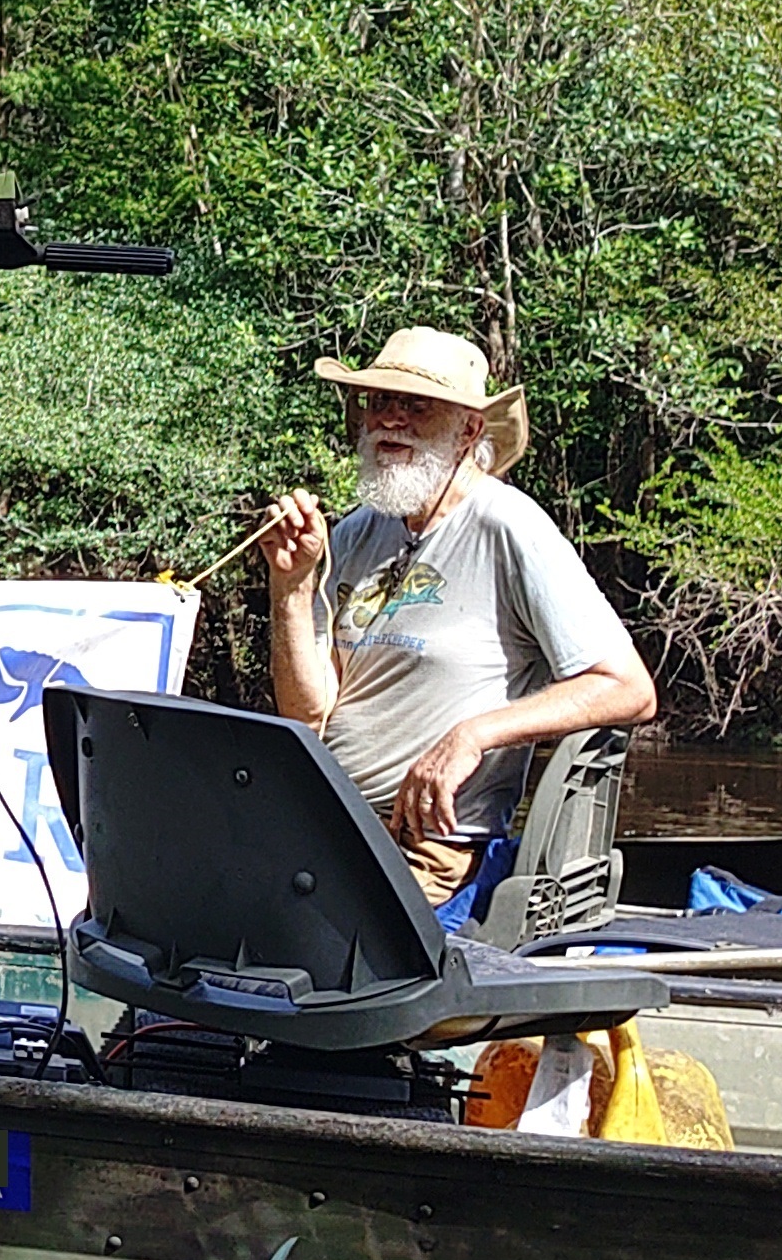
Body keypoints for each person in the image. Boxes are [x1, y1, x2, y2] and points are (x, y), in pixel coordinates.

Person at [251, 326, 657, 903]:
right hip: (323, 834)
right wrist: (291, 588)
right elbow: (309, 713)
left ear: (469, 429)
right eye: (379, 401)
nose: (390, 418)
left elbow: (628, 689)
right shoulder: (356, 532)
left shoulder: (510, 527)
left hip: (424, 855)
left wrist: (472, 735)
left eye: (417, 406)